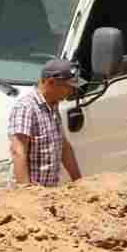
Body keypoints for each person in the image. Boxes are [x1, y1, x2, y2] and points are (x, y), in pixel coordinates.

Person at [7, 59, 82, 187]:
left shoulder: (52, 106)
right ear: (51, 82)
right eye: (68, 87)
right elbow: (18, 151)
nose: (71, 92)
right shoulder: (26, 108)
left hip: (49, 193)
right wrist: (27, 193)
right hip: (31, 195)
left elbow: (64, 147)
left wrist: (79, 182)